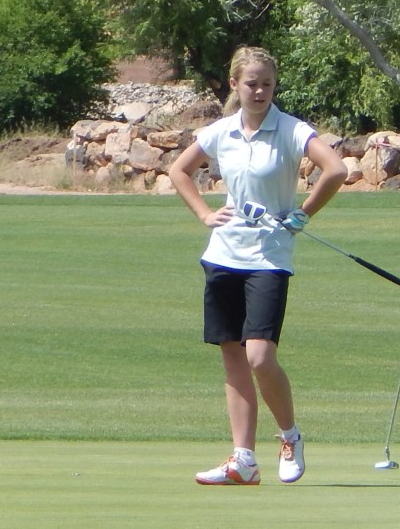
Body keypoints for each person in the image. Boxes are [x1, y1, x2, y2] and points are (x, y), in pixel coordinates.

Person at [169, 45, 346, 485]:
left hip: (269, 258)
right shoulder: (221, 131)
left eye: (267, 83)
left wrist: (303, 212)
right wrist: (206, 214)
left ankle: (289, 436)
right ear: (235, 85)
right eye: (252, 83)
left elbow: (336, 169)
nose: (260, 91)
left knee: (260, 356)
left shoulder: (290, 129)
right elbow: (179, 171)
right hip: (223, 255)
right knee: (233, 356)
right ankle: (243, 460)